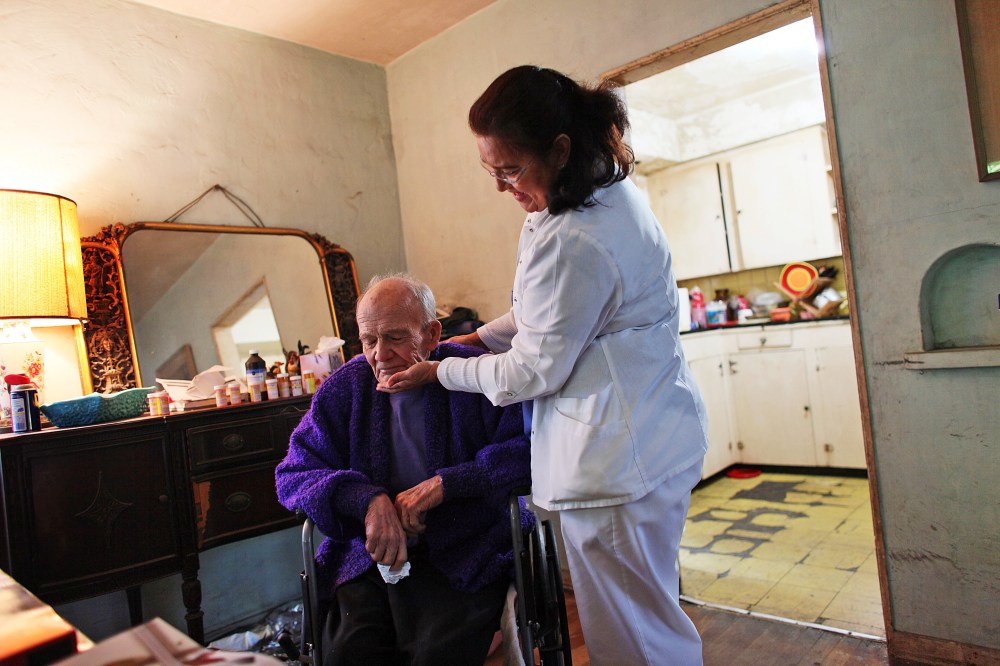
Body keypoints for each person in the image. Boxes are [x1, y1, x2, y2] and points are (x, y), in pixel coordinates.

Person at [381, 66, 710, 665]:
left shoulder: (575, 238)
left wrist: (441, 370)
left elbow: (530, 371)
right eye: (492, 172)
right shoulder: (604, 195)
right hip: (653, 435)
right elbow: (540, 314)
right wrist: (474, 337)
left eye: (511, 170)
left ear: (559, 150)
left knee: (633, 637)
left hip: (616, 465)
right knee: (651, 614)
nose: (501, 188)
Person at [275, 274, 532, 666]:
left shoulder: (473, 374)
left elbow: (525, 452)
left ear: (431, 334)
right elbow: (294, 473)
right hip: (370, 555)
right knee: (349, 652)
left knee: (437, 653)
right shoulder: (346, 388)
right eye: (369, 340)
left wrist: (449, 483)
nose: (380, 354)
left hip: (465, 548)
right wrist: (367, 500)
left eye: (395, 337)